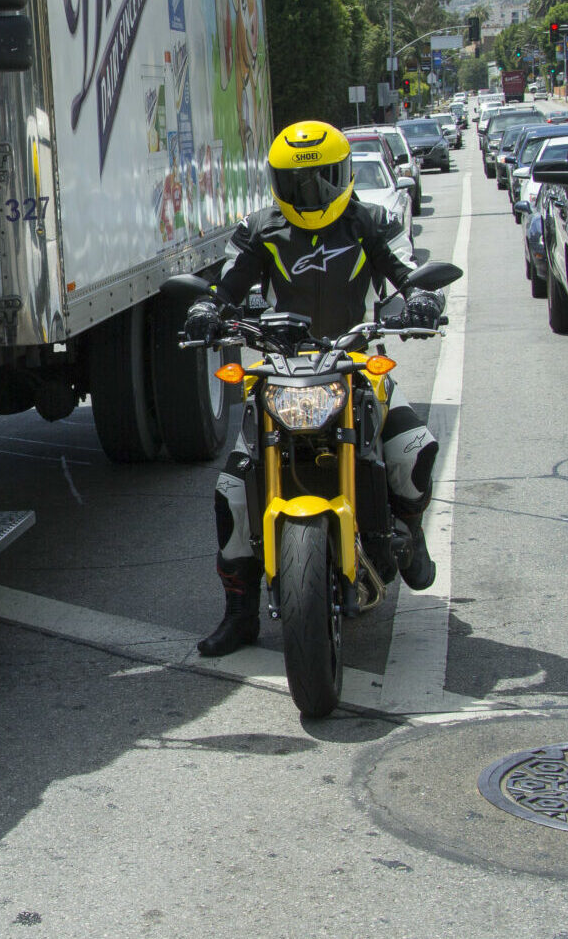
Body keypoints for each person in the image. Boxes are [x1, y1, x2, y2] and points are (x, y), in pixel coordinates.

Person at [181, 120, 445, 658]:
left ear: (342, 175)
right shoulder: (259, 228)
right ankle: (240, 614)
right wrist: (207, 307)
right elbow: (227, 283)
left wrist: (421, 299)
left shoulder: (370, 221)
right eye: (298, 183)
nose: (312, 194)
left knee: (414, 451)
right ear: (278, 182)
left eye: (322, 180)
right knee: (231, 491)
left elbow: (407, 269)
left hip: (356, 365)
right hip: (283, 368)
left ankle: (409, 535)